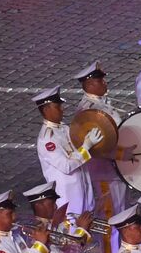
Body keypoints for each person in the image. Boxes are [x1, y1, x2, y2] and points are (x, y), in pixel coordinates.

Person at [71, 61, 132, 253]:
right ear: (88, 85)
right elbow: (98, 148)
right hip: (103, 170)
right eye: (99, 80)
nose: (104, 83)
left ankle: (119, 251)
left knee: (119, 209)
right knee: (109, 213)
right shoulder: (88, 111)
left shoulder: (99, 103)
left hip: (114, 170)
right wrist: (121, 154)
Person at [34, 86, 102, 217]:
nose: (62, 109)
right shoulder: (47, 139)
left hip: (83, 193)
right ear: (46, 109)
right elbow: (66, 166)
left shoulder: (64, 128)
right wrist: (86, 146)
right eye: (57, 106)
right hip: (68, 200)